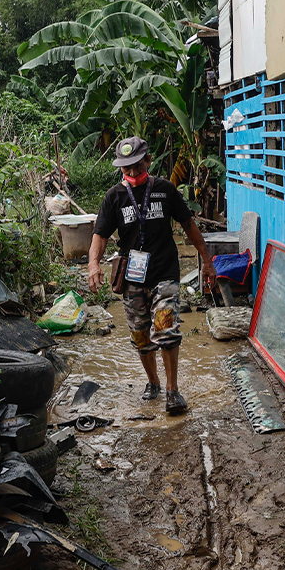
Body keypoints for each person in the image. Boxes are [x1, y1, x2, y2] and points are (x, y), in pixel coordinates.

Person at [88, 137, 216, 415]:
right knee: (140, 334)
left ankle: (172, 391)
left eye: (137, 166)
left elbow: (189, 226)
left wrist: (207, 260)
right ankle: (153, 383)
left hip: (164, 274)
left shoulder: (165, 190)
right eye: (126, 169)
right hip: (132, 278)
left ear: (148, 161)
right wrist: (93, 265)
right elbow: (99, 235)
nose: (132, 173)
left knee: (166, 329)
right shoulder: (114, 197)